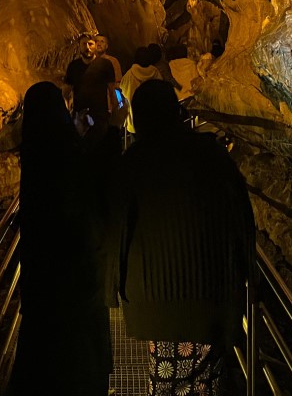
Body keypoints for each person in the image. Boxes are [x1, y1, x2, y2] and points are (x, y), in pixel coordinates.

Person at [112, 80, 255, 396]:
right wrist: (245, 274)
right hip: (214, 295)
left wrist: (116, 290)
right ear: (175, 111)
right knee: (207, 383)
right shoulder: (212, 155)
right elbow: (241, 215)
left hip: (159, 301)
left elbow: (117, 229)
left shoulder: (134, 161)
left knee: (166, 382)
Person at [9, 82, 112, 395]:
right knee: (80, 360)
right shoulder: (70, 152)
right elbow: (86, 200)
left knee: (45, 359)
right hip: (77, 277)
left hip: (42, 280)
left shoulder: (33, 151)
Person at [119, 46, 162, 135]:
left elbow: (122, 96)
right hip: (155, 119)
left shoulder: (129, 76)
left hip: (135, 121)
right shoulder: (156, 72)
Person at [63, 34, 95, 107]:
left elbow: (112, 90)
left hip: (101, 113)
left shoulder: (105, 64)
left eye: (90, 44)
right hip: (80, 113)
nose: (87, 47)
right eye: (84, 44)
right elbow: (65, 92)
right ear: (79, 47)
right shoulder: (73, 67)